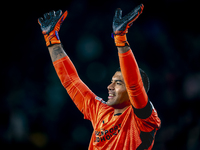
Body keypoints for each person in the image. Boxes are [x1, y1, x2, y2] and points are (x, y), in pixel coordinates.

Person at [38, 4, 161, 150]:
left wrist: (121, 39)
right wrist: (51, 40)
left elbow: (134, 85)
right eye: (111, 82)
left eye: (118, 83)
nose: (109, 87)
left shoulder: (142, 120)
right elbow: (71, 81)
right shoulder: (100, 112)